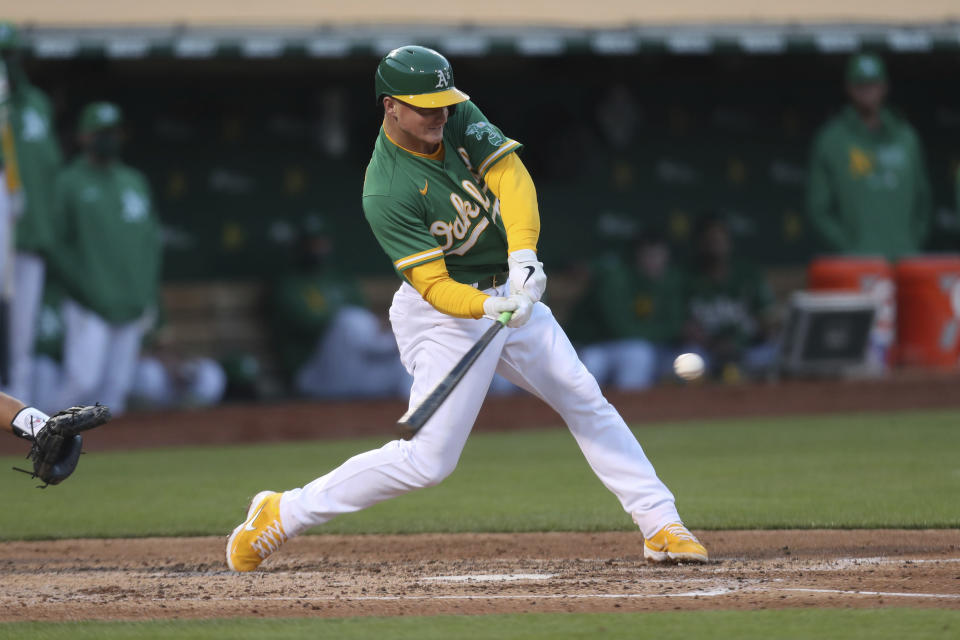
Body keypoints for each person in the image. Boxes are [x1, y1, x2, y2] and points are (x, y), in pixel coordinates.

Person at [227, 45, 708, 572]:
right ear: (390, 107)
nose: (439, 114)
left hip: (508, 292)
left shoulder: (453, 118)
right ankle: (282, 510)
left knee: (583, 398)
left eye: (443, 102)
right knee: (427, 462)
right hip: (445, 317)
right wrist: (490, 305)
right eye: (424, 106)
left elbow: (511, 176)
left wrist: (523, 256)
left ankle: (661, 524)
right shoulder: (385, 189)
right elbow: (433, 285)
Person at [46, 102, 162, 414]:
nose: (108, 139)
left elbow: (151, 244)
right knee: (82, 383)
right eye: (100, 132)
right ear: (83, 136)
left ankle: (107, 459)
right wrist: (84, 289)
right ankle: (40, 439)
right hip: (89, 304)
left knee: (116, 392)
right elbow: (56, 244)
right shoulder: (69, 182)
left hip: (130, 304)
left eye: (113, 132)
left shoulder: (133, 181)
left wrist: (147, 296)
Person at [807, 53, 932, 260]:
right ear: (848, 88)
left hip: (905, 260)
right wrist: (850, 247)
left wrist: (910, 242)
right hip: (857, 264)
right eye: (860, 84)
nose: (867, 91)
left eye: (873, 83)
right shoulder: (831, 140)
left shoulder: (906, 137)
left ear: (884, 87)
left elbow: (923, 202)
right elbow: (819, 209)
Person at [269, 215, 410, 399]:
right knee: (349, 321)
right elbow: (316, 326)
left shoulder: (341, 280)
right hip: (313, 371)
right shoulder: (289, 285)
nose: (317, 247)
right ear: (299, 246)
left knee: (407, 365)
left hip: (353, 366)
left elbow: (367, 320)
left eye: (320, 241)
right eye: (311, 242)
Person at [0, 22, 64, 403]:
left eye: (11, 56)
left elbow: (50, 170)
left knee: (21, 340)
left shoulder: (37, 104)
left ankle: (21, 422)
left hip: (30, 238)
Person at [569, 231, 686, 390]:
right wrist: (658, 332)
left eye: (659, 256)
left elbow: (675, 326)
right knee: (628, 355)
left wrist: (661, 333)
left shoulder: (670, 280)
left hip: (657, 350)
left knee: (671, 359)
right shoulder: (617, 279)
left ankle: (634, 412)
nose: (654, 261)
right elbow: (619, 328)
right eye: (649, 255)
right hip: (600, 346)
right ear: (637, 256)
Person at [683, 214, 777, 381]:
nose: (715, 245)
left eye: (720, 239)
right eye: (710, 240)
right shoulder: (686, 278)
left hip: (747, 350)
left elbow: (768, 321)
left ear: (729, 241)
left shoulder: (748, 274)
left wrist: (739, 341)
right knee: (689, 360)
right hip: (706, 352)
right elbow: (684, 326)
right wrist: (714, 344)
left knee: (774, 352)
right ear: (699, 243)